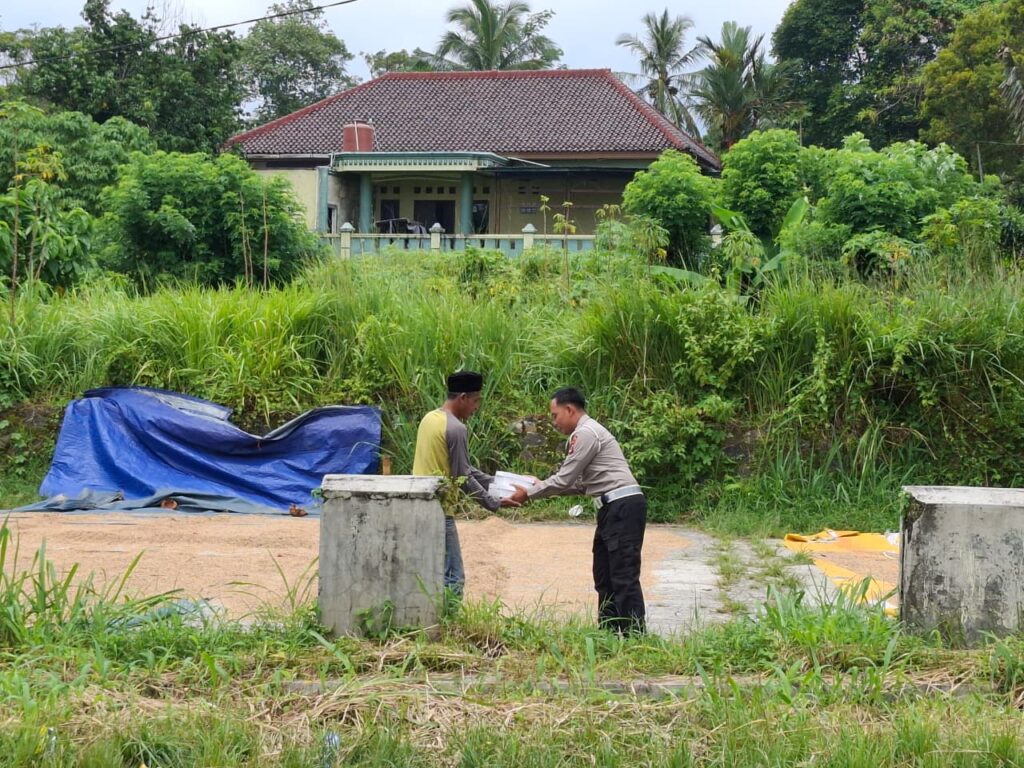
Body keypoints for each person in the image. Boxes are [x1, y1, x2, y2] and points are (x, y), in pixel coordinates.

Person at [502, 387, 646, 635]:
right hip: (612, 507)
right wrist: (539, 486)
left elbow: (565, 480)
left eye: (555, 415)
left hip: (622, 507)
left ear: (570, 410)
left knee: (622, 576)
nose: (554, 422)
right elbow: (580, 485)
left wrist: (530, 493)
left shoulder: (586, 433)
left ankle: (636, 638)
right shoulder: (586, 433)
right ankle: (609, 636)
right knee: (604, 576)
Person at [413, 370, 504, 598]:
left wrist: (499, 483)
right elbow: (463, 479)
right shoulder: (456, 428)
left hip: (418, 505)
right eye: (475, 401)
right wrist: (495, 503)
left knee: (432, 572)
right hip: (440, 510)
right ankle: (448, 627)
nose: (476, 408)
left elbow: (464, 469)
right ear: (463, 397)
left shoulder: (429, 419)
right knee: (453, 577)